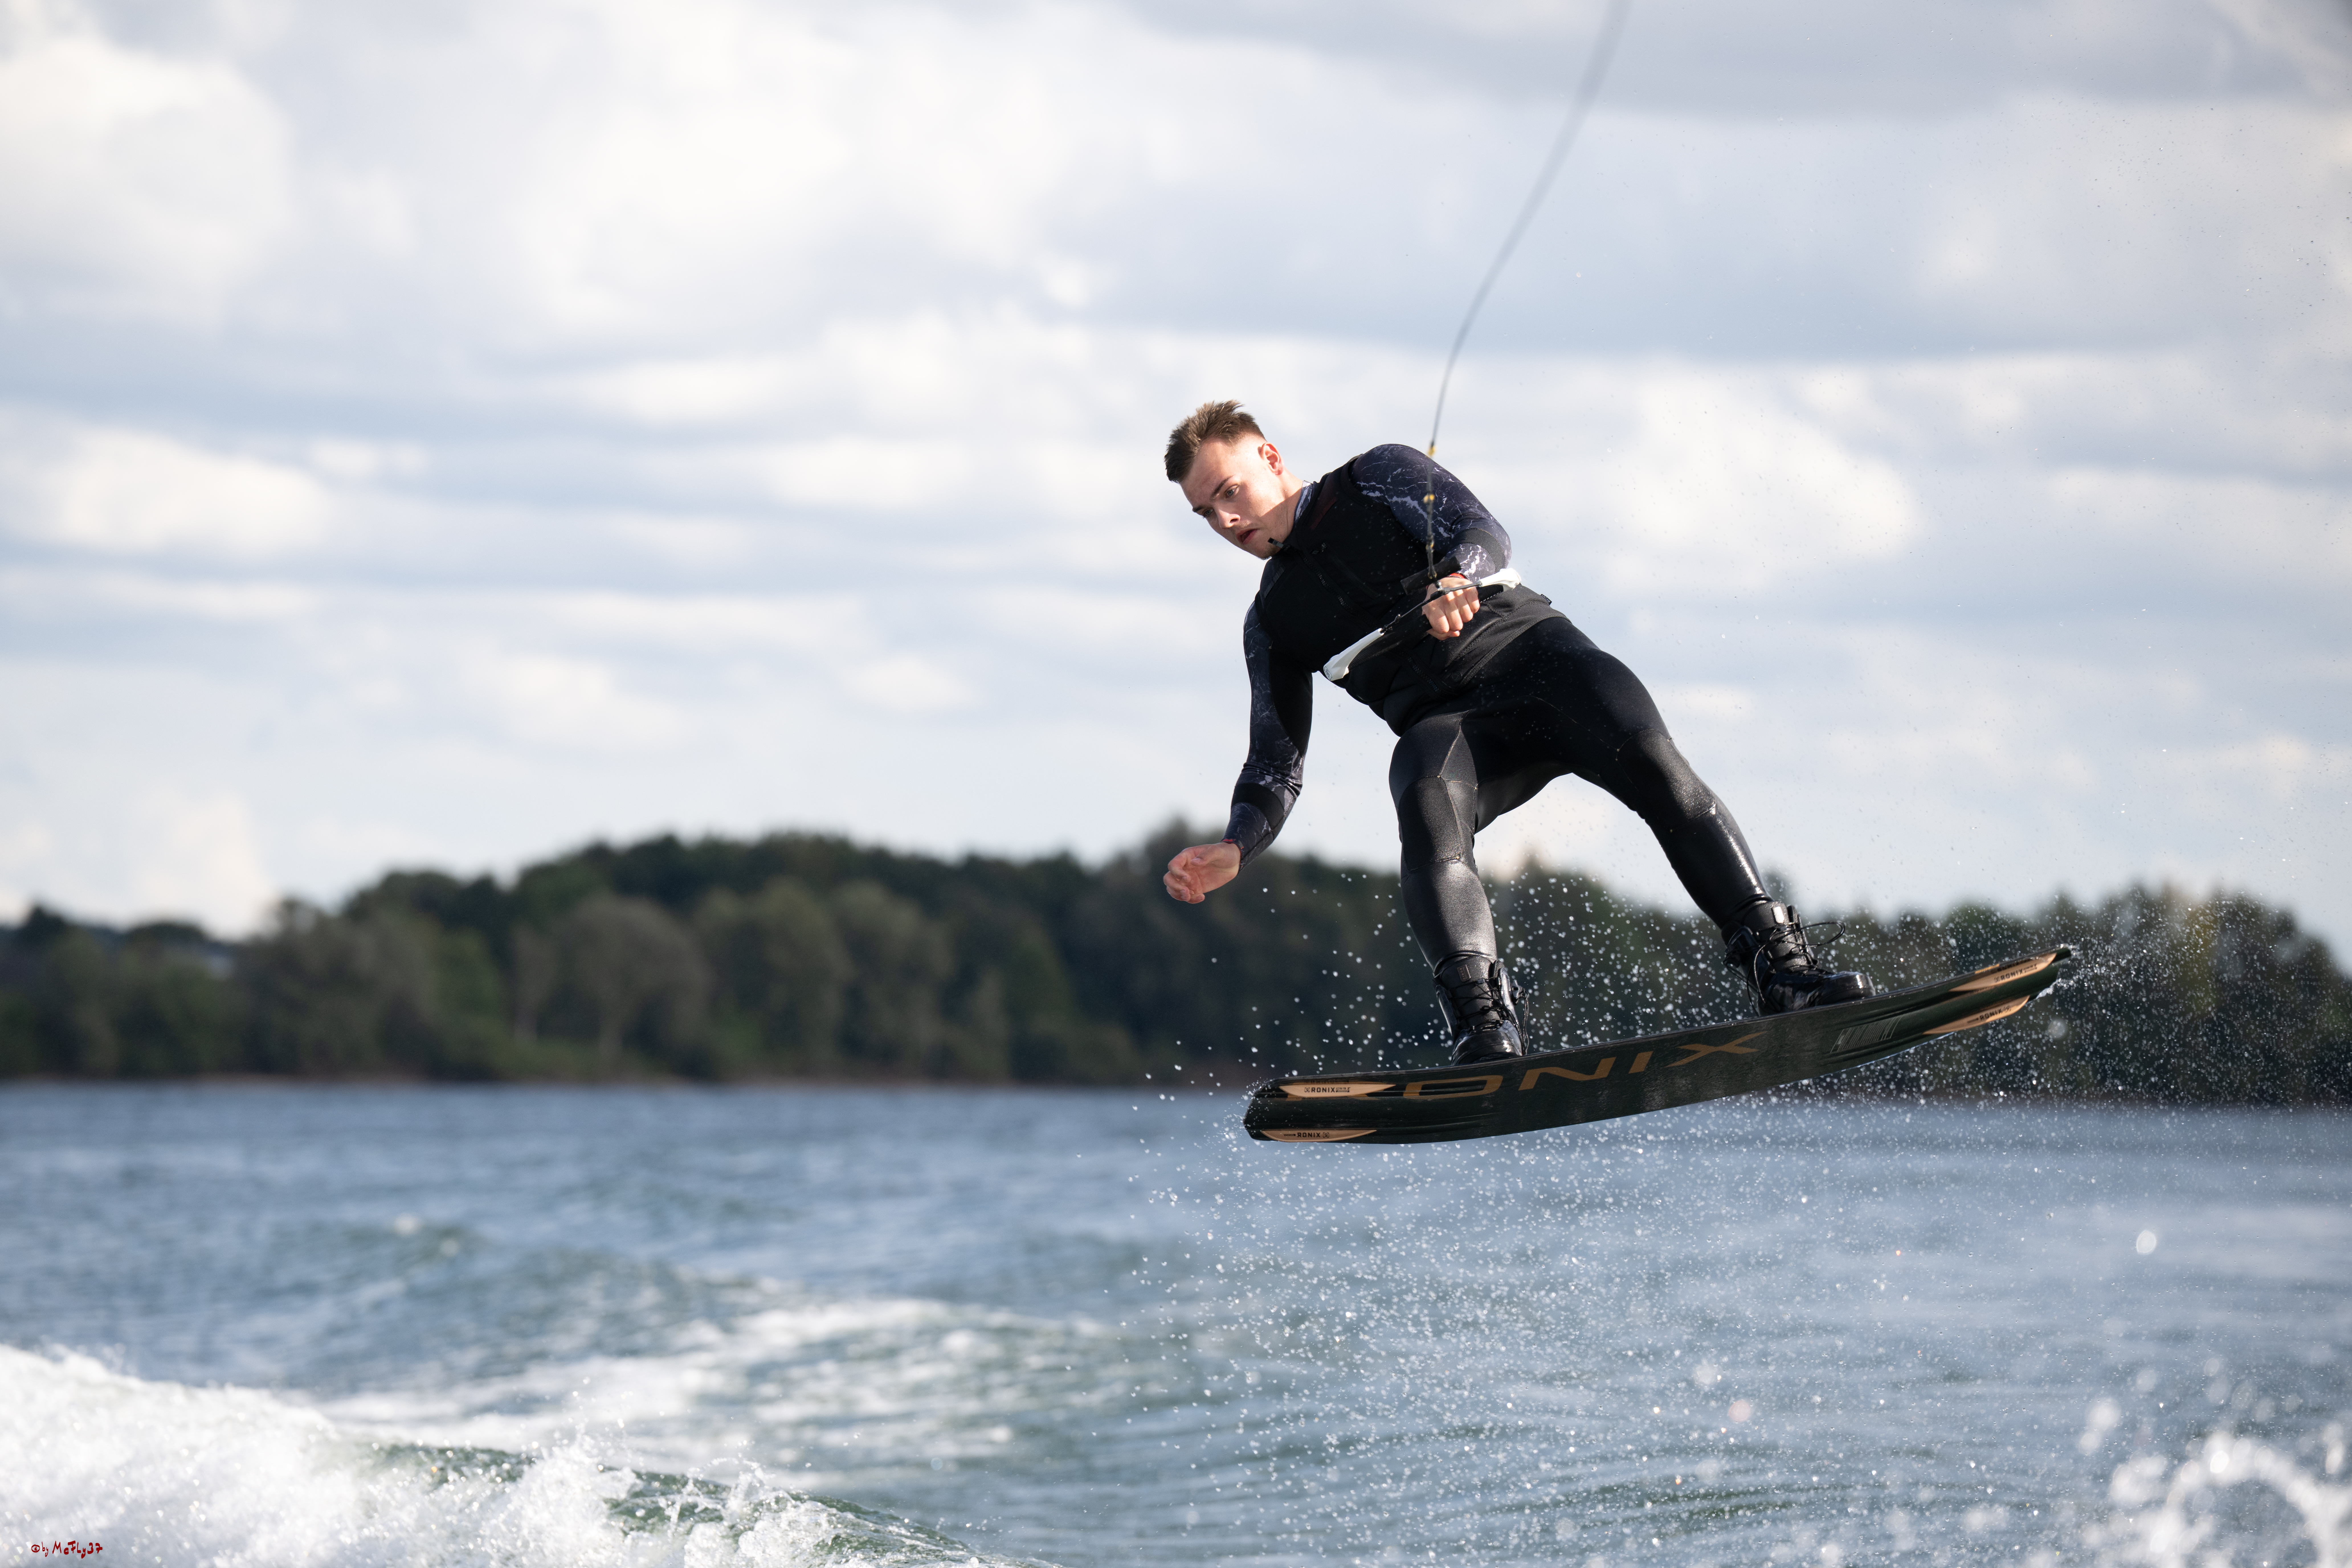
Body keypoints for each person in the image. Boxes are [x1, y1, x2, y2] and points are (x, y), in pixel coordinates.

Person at [1158, 400, 1873, 1065]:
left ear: (1270, 457)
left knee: (1656, 763)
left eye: (1229, 491)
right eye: (1205, 513)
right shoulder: (1273, 622)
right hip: (1458, 732)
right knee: (1421, 788)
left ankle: (1783, 971)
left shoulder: (1376, 476)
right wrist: (1237, 844)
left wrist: (1457, 579)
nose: (1225, 519)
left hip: (1542, 667)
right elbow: (1275, 764)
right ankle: (1484, 1027)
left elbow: (1485, 534)